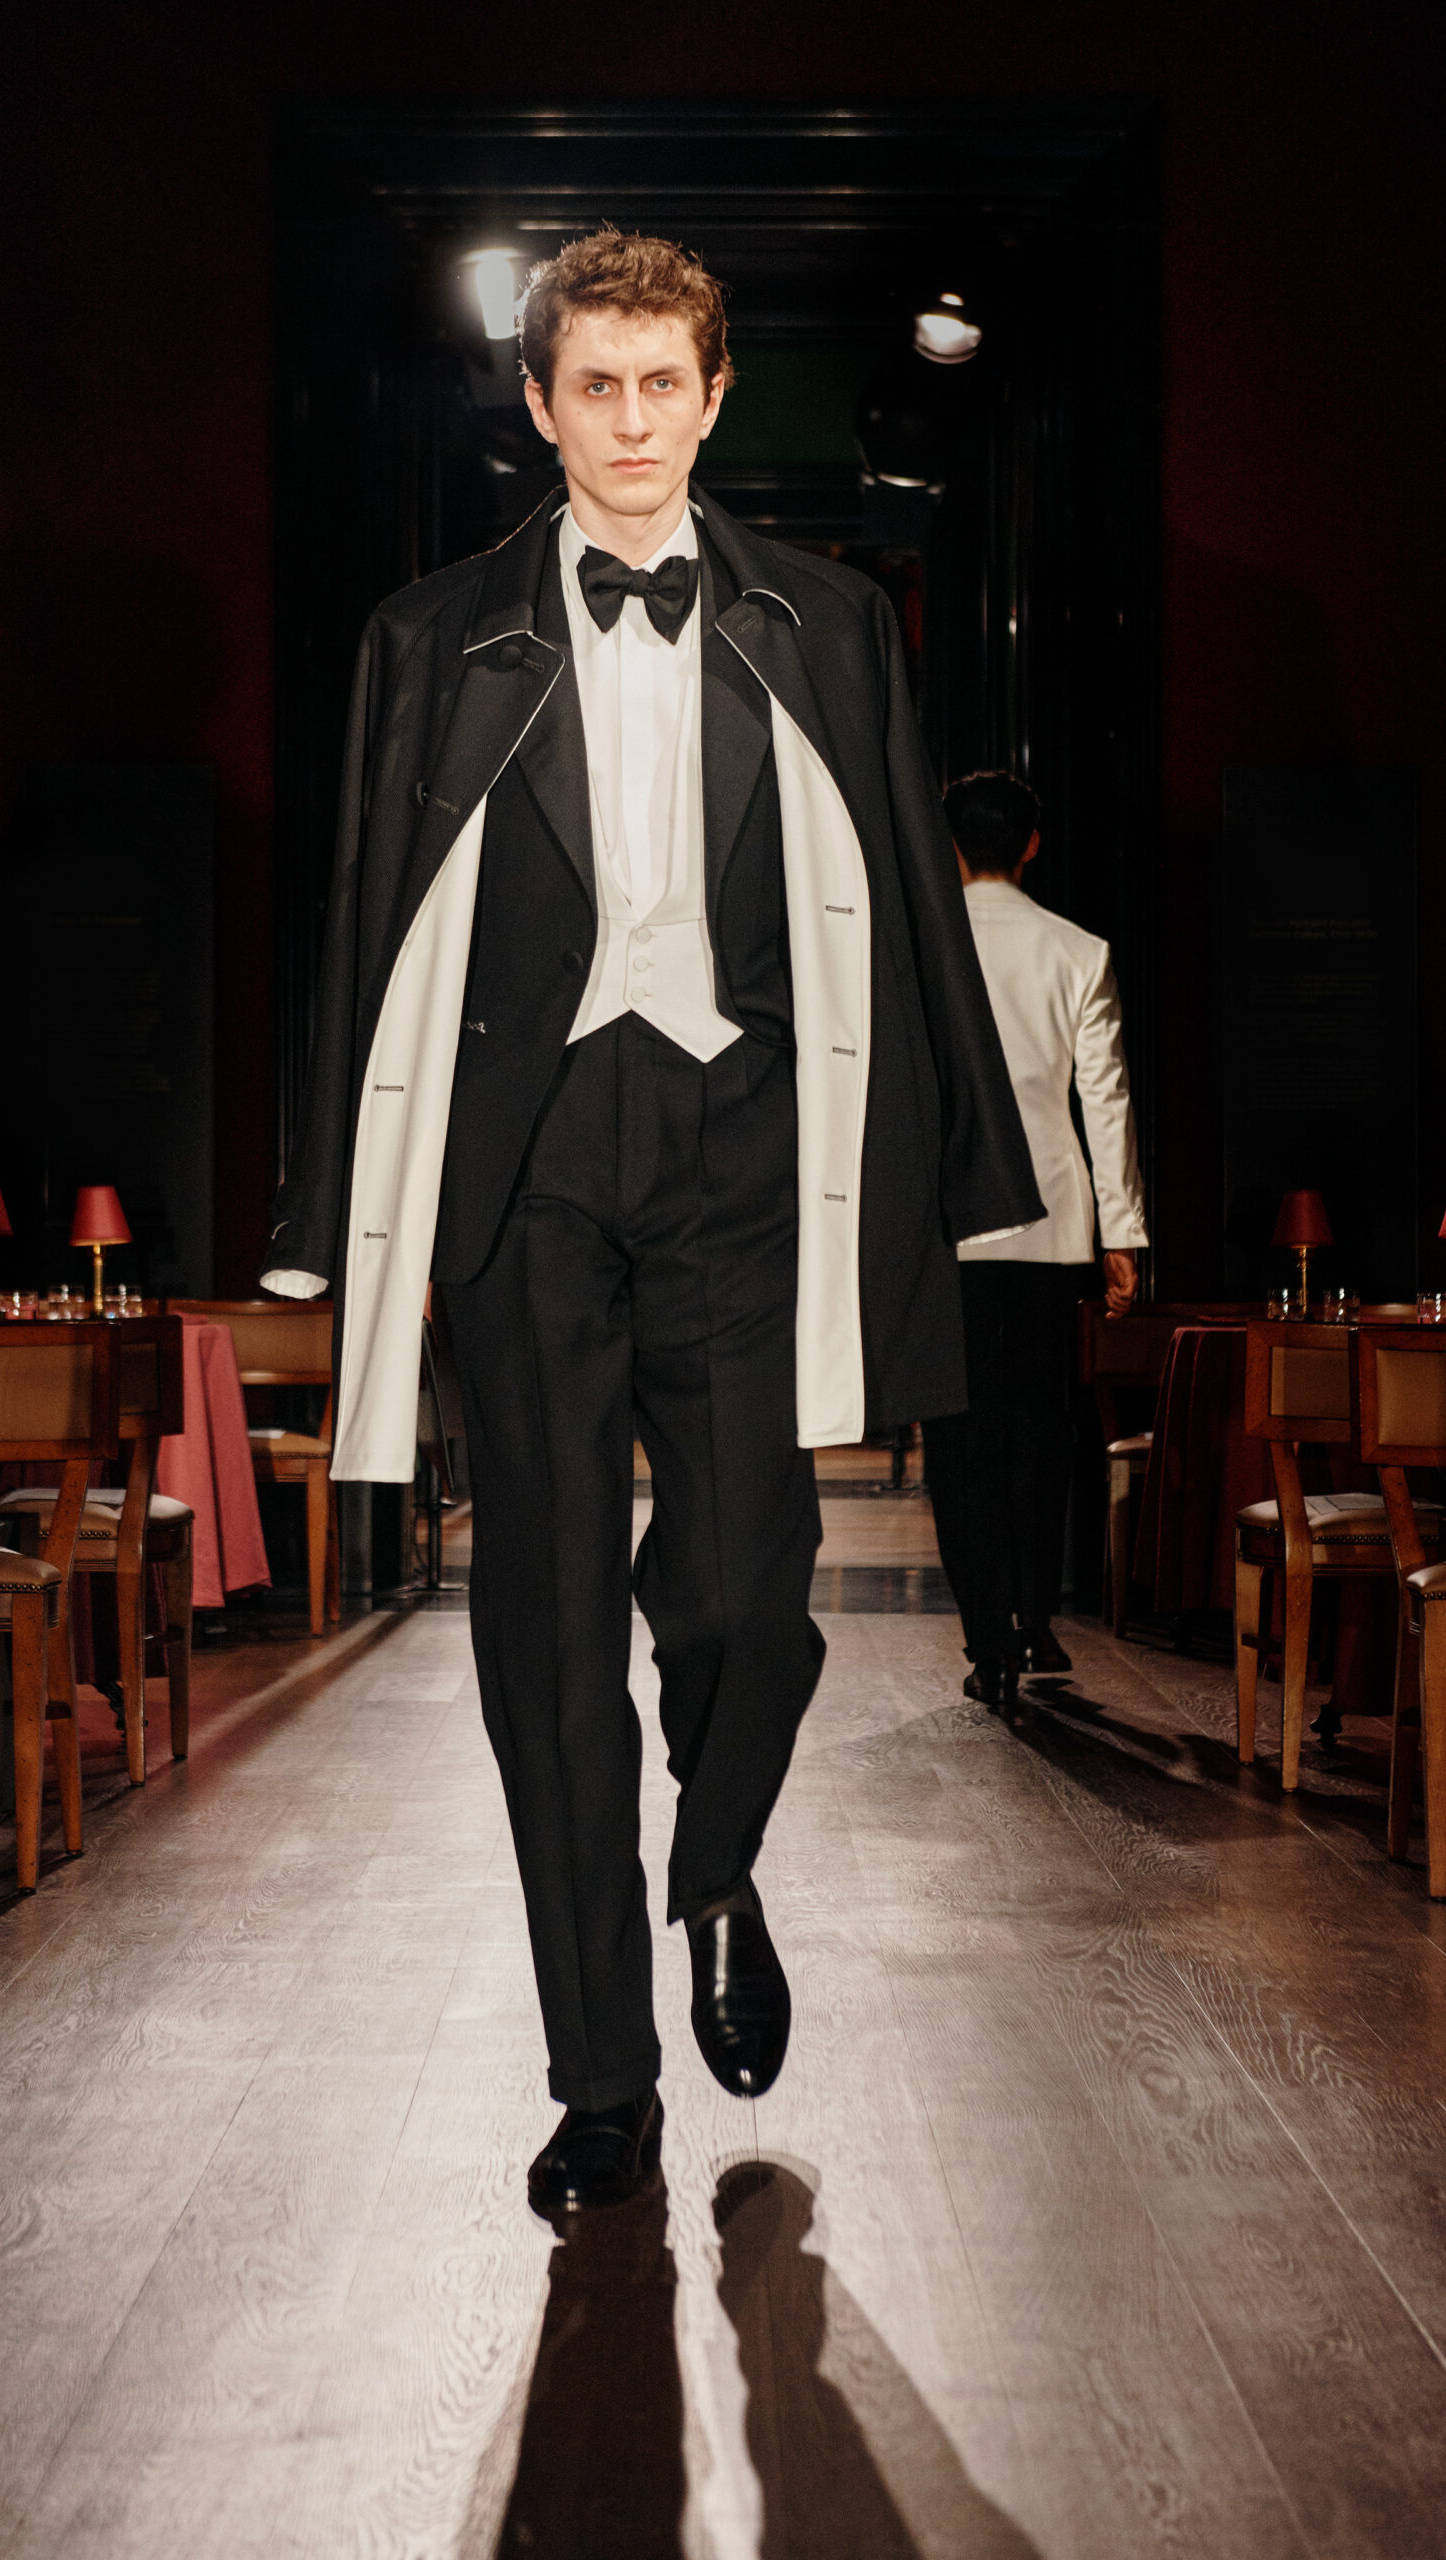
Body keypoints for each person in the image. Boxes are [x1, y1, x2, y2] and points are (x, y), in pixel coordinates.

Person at [261, 233, 1041, 2215]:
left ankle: (713, 1871)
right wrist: (324, 1203)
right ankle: (601, 2079)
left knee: (743, 1597)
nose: (626, 421)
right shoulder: (427, 636)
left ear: (711, 396)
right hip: (519, 1166)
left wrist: (962, 1162)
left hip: (745, 1147)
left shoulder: (826, 619)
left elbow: (906, 884)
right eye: (589, 386)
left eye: (658, 384)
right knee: (539, 1629)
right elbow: (360, 917)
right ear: (538, 405)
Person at [923, 772, 1148, 1708]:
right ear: (1030, 845)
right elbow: (1105, 1100)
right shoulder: (1077, 952)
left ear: (946, 847)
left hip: (947, 1228)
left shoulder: (920, 948)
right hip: (1053, 1227)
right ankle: (1032, 1613)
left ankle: (987, 1639)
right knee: (1040, 1431)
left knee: (959, 1438)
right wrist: (1121, 1232)